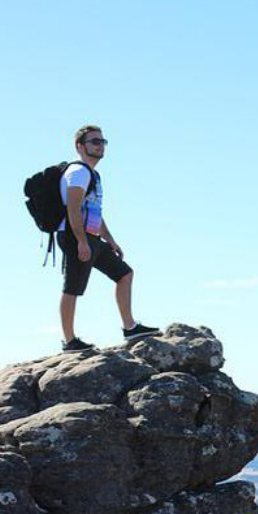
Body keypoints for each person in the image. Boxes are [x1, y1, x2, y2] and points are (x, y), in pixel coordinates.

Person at [57, 124, 159, 351]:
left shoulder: (92, 174)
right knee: (72, 288)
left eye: (102, 142)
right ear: (79, 146)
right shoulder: (78, 172)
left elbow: (93, 211)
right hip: (75, 236)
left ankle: (130, 327)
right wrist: (81, 241)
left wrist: (110, 239)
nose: (100, 146)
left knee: (124, 273)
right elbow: (73, 209)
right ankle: (69, 340)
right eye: (95, 141)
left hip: (91, 236)